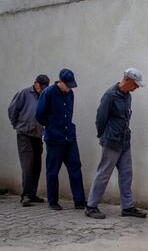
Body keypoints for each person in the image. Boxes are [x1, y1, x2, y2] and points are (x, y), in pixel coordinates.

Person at [85, 68, 147, 219]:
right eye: (135, 84)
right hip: (111, 142)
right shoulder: (110, 95)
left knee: (126, 174)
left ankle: (127, 207)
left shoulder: (127, 96)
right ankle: (91, 206)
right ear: (127, 80)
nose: (137, 88)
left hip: (124, 141)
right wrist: (103, 136)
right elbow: (100, 118)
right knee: (104, 173)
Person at [35, 68, 86, 210]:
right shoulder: (48, 93)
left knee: (75, 168)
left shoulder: (70, 94)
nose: (69, 88)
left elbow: (69, 113)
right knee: (53, 171)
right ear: (60, 82)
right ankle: (53, 201)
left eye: (71, 86)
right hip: (54, 139)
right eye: (67, 85)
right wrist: (51, 125)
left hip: (69, 137)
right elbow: (39, 115)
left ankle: (79, 200)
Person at [8, 75, 50, 207]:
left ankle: (32, 194)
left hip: (37, 135)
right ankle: (25, 195)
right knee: (27, 163)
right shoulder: (24, 93)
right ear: (36, 84)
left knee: (37, 164)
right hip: (24, 134)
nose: (42, 90)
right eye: (41, 87)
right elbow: (12, 110)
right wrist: (17, 125)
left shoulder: (44, 96)